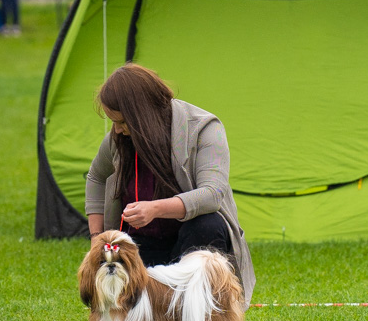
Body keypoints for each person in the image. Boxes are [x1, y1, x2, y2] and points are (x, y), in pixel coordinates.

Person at [85, 63, 256, 308]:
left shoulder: (206, 129)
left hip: (191, 241)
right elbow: (96, 177)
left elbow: (212, 194)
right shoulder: (119, 138)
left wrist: (154, 209)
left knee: (208, 225)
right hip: (143, 244)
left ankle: (203, 312)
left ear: (141, 115)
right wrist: (96, 236)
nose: (117, 130)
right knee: (145, 310)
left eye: (122, 122)